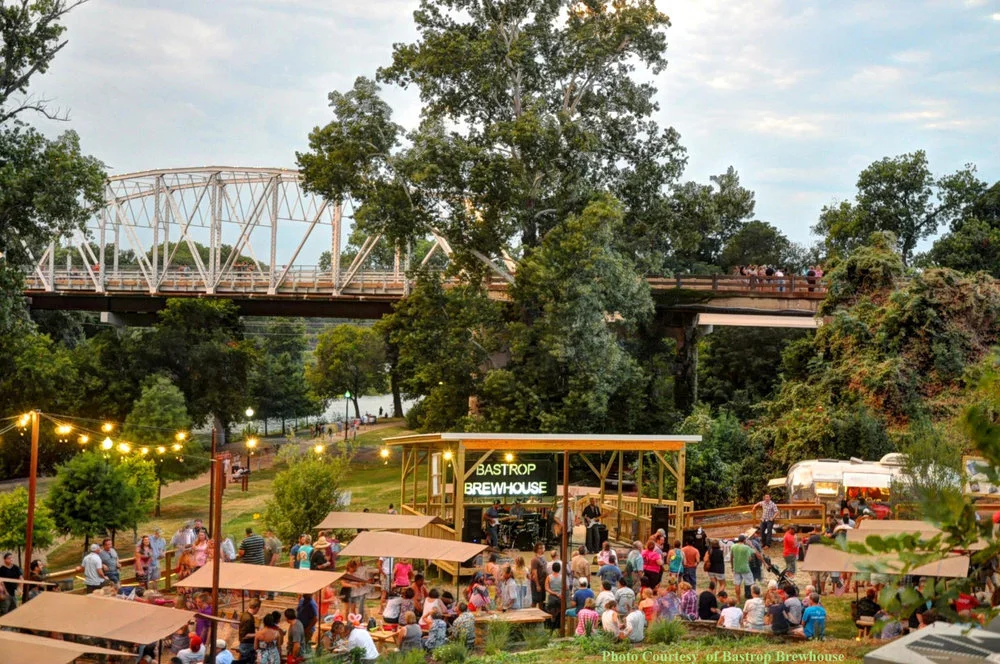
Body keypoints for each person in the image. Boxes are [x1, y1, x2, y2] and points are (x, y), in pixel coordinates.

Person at [730, 535, 754, 602]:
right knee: (751, 583)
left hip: (736, 568)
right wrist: (751, 545)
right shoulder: (746, 547)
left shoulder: (733, 546)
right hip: (745, 568)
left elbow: (731, 558)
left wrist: (732, 566)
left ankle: (738, 600)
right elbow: (750, 558)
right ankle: (753, 597)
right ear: (744, 540)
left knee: (737, 584)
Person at [238, 597, 261, 662]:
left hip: (245, 644)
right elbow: (245, 635)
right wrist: (258, 634)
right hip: (247, 645)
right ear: (257, 608)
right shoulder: (248, 619)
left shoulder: (245, 614)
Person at [544, 561, 565, 628]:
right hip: (560, 597)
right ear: (559, 569)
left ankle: (551, 624)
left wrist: (553, 593)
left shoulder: (549, 577)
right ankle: (559, 624)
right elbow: (565, 587)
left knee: (551, 611)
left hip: (552, 597)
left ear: (552, 568)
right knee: (560, 610)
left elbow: (546, 588)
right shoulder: (562, 577)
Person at [530, 543, 548, 609]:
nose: (544, 549)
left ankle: (541, 613)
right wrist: (537, 585)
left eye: (544, 548)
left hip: (543, 582)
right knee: (535, 600)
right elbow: (534, 573)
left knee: (541, 600)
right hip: (537, 583)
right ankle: (532, 613)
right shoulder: (534, 560)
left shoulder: (543, 558)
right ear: (538, 549)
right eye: (542, 548)